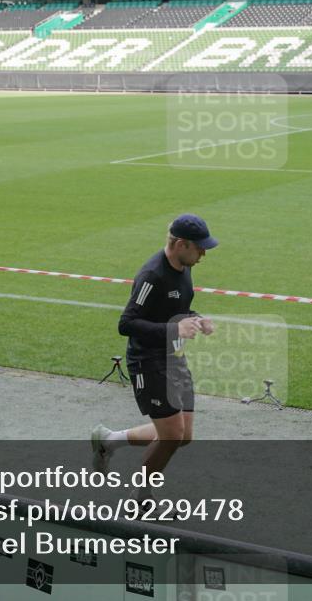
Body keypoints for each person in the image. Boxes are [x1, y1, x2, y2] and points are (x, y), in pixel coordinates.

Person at [91, 214, 218, 501]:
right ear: (182, 244)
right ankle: (140, 499)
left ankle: (109, 441)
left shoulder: (184, 268)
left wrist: (196, 319)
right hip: (148, 362)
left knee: (182, 436)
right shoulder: (152, 275)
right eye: (199, 247)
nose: (204, 254)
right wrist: (175, 328)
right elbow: (126, 324)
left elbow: (175, 309)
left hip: (174, 357)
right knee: (171, 435)